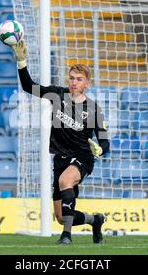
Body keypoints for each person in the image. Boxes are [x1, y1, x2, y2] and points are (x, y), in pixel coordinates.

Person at [10, 39, 110, 244]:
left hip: (82, 158)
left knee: (66, 181)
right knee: (62, 217)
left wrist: (100, 148)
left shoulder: (93, 109)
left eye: (79, 79)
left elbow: (104, 141)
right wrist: (21, 62)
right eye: (72, 78)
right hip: (60, 159)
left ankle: (66, 237)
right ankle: (95, 220)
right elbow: (30, 87)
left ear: (87, 83)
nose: (74, 82)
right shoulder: (57, 95)